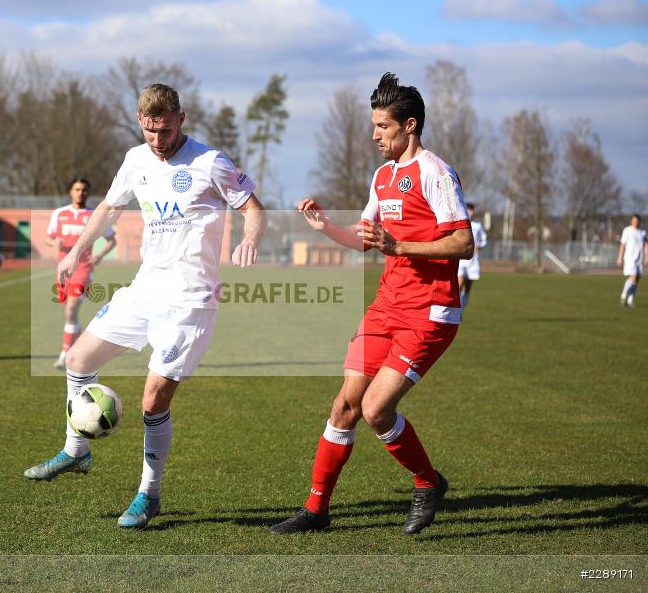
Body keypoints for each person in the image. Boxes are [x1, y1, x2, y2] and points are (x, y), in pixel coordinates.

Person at [23, 83, 266, 529]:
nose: (158, 140)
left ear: (182, 119)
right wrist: (76, 251)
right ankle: (77, 451)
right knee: (79, 358)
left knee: (152, 400)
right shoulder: (136, 159)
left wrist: (249, 238)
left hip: (190, 301)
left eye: (166, 130)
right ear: (141, 122)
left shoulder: (211, 162)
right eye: (150, 131)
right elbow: (109, 209)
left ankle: (148, 494)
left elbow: (254, 208)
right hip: (144, 290)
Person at [270, 73, 473, 536]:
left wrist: (398, 246)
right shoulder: (383, 177)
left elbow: (463, 243)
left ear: (410, 125)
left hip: (430, 312)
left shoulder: (436, 173)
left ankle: (428, 482)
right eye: (375, 125)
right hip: (386, 307)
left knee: (377, 410)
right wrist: (325, 227)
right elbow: (367, 240)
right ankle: (316, 509)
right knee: (345, 404)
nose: (375, 135)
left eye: (383, 126)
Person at [46, 177, 118, 369]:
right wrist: (55, 243)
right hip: (63, 270)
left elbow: (112, 240)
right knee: (69, 315)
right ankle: (75, 349)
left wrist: (99, 255)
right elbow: (48, 238)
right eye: (77, 189)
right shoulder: (59, 214)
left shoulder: (95, 215)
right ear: (71, 192)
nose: (81, 193)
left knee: (71, 310)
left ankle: (64, 355)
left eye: (84, 190)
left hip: (83, 270)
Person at [457, 202, 487, 310]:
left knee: (468, 288)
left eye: (471, 210)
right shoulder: (460, 224)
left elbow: (484, 241)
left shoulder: (477, 226)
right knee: (459, 284)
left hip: (473, 261)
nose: (470, 213)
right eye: (468, 210)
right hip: (460, 260)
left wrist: (479, 246)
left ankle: (462, 308)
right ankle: (457, 308)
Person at [617, 214, 647, 308]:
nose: (635, 222)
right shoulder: (627, 231)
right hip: (630, 258)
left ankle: (630, 300)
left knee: (636, 280)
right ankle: (623, 294)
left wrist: (647, 257)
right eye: (633, 220)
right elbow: (622, 245)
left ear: (639, 222)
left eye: (637, 221)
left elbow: (646, 245)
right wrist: (619, 257)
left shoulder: (642, 232)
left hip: (639, 259)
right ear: (631, 221)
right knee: (633, 277)